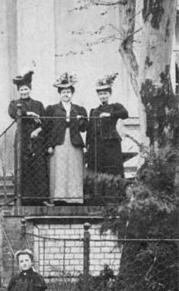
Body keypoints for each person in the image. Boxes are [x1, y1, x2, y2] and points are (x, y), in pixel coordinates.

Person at [44, 72, 88, 205]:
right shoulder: (53, 109)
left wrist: (81, 120)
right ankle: (59, 198)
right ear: (59, 93)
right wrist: (49, 145)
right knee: (60, 169)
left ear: (72, 93)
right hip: (59, 141)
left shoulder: (79, 109)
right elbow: (47, 128)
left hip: (74, 142)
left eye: (68, 92)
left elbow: (84, 128)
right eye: (63, 92)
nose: (66, 94)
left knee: (74, 169)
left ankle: (75, 198)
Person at [8, 70, 48, 205]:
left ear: (30, 90)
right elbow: (13, 113)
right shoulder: (14, 103)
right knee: (22, 167)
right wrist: (28, 113)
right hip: (22, 138)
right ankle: (22, 198)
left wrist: (38, 130)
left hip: (37, 138)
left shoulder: (38, 104)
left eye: (26, 89)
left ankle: (39, 199)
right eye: (21, 90)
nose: (24, 92)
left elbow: (45, 121)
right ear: (18, 91)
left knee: (38, 167)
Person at [86, 73, 128, 203]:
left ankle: (114, 197)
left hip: (111, 144)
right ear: (98, 96)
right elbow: (90, 129)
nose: (103, 96)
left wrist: (110, 115)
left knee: (113, 169)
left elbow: (125, 114)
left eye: (105, 93)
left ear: (109, 94)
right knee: (97, 169)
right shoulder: (94, 111)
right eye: (100, 94)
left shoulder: (115, 106)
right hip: (97, 144)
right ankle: (98, 198)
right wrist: (88, 144)